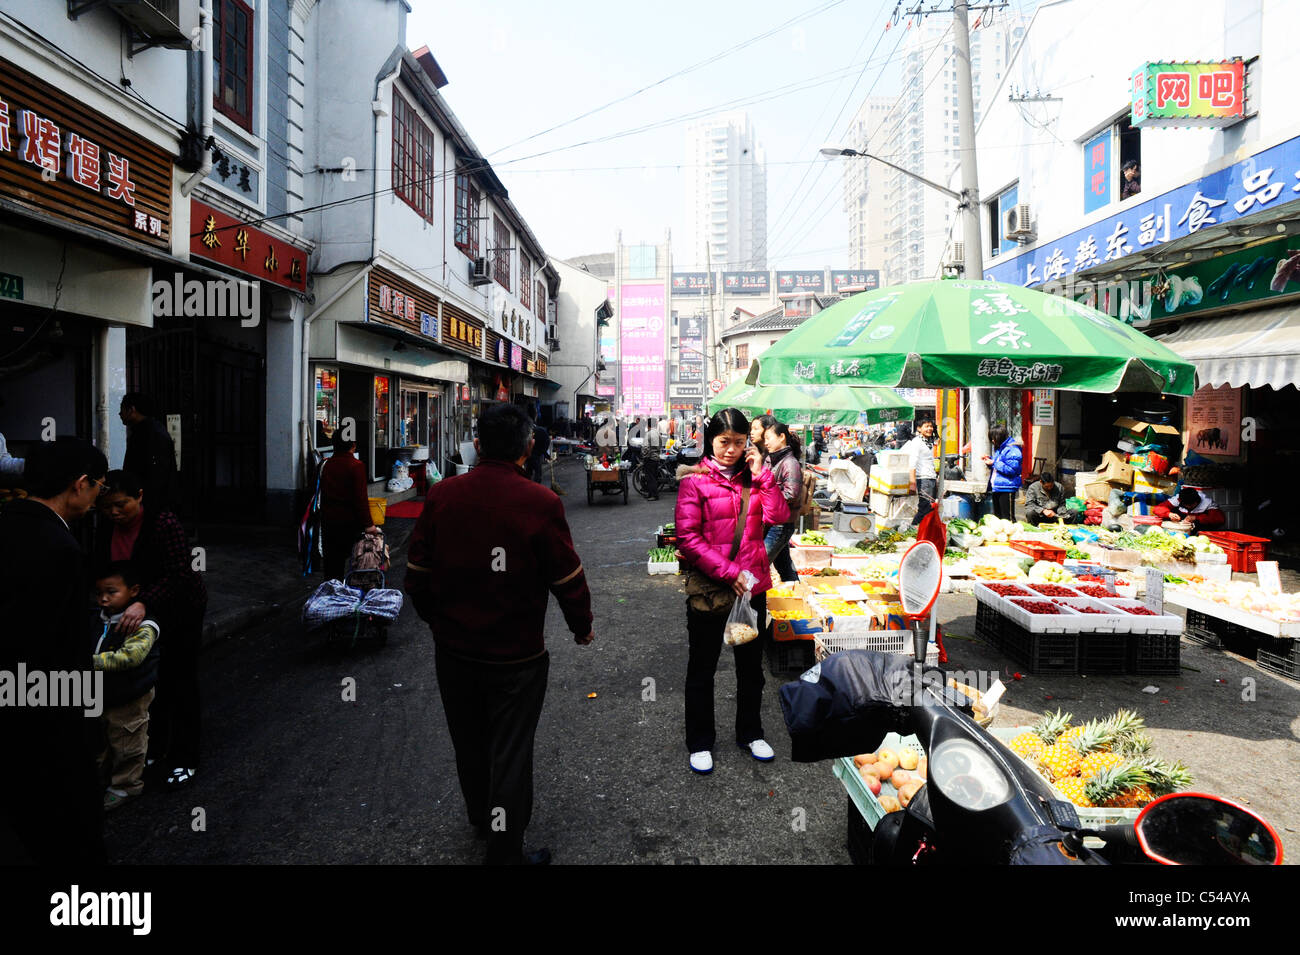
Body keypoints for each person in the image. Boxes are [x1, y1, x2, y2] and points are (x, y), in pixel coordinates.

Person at [404, 403, 594, 865]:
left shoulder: (444, 495)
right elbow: (566, 577)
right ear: (528, 447)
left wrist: (438, 619)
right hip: (516, 657)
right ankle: (504, 850)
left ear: (479, 445)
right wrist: (581, 625)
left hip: (455, 651)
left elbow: (416, 572)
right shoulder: (540, 502)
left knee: (469, 740)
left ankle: (481, 815)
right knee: (509, 751)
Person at [0, 436, 108, 865]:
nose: (100, 496)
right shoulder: (61, 550)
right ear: (79, 484)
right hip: (47, 725)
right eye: (98, 485)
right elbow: (58, 650)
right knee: (68, 838)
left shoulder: (8, 523)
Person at [675, 407, 790, 776]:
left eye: (740, 443)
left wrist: (764, 476)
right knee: (703, 667)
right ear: (711, 440)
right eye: (725, 442)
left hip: (750, 590)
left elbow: (779, 517)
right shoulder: (694, 482)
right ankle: (700, 741)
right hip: (713, 590)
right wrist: (729, 572)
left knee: (750, 667)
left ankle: (750, 732)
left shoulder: (756, 478)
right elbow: (689, 539)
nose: (731, 450)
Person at [94, 470, 208, 788]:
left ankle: (185, 757)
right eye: (107, 507)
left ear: (139, 496)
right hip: (133, 613)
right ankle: (152, 747)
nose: (114, 513)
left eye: (121, 505)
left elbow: (180, 574)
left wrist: (144, 601)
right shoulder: (105, 526)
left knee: (180, 679)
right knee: (147, 682)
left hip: (179, 609)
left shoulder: (163, 523)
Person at [91, 561, 161, 811]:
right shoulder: (97, 619)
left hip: (130, 696)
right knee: (100, 740)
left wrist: (88, 663)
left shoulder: (144, 625)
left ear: (134, 591)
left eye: (111, 592)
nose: (104, 599)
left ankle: (126, 785)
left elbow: (131, 657)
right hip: (101, 695)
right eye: (99, 593)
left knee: (127, 741)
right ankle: (103, 778)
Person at [318, 434, 380, 580]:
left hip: (328, 521)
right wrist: (369, 524)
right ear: (353, 445)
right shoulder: (356, 466)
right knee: (356, 561)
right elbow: (360, 499)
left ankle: (332, 592)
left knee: (332, 564)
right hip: (349, 522)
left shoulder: (324, 464)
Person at [754, 415, 803, 584]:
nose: (765, 442)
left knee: (759, 565)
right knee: (784, 566)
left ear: (781, 437)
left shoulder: (789, 463)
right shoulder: (771, 459)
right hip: (771, 521)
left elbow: (792, 493)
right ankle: (796, 594)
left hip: (782, 523)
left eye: (768, 438)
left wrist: (765, 495)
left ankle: (750, 603)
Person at [120, 392, 177, 513]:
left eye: (122, 409)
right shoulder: (147, 430)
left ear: (132, 410)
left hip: (150, 502)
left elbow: (155, 472)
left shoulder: (149, 433)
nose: (120, 414)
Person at [903, 419, 939, 525]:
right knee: (925, 508)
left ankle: (923, 532)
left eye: (931, 426)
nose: (929, 429)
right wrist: (912, 483)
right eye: (926, 426)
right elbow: (912, 463)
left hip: (930, 478)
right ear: (919, 429)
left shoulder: (928, 442)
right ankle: (912, 529)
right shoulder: (917, 442)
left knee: (930, 508)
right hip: (923, 479)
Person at [983, 426, 1023, 522]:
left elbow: (1011, 470)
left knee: (1007, 519)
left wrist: (994, 463)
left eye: (993, 438)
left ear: (999, 437)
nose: (992, 440)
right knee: (999, 518)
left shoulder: (1012, 450)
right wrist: (990, 461)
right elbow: (998, 466)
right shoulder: (1001, 448)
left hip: (1007, 487)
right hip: (997, 487)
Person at [1158, 487, 1226, 529]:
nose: (1189, 507)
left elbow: (1220, 519)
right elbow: (1158, 509)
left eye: (1191, 505)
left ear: (1197, 501)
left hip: (1199, 529)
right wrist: (1169, 514)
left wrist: (1196, 518)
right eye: (1186, 505)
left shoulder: (1207, 502)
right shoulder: (1178, 499)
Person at [528, 419, 550, 484]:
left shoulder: (533, 431)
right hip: (536, 454)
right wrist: (545, 452)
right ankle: (535, 485)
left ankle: (528, 483)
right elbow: (547, 441)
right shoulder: (541, 430)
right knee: (537, 471)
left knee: (530, 470)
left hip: (533, 453)